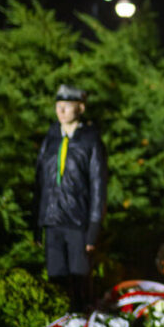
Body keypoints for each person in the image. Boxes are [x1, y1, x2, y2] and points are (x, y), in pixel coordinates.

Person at [34, 84, 107, 311]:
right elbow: (39, 183)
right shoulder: (51, 138)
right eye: (58, 106)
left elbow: (98, 186)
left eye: (67, 106)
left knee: (80, 283)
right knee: (56, 280)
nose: (61, 111)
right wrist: (37, 222)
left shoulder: (91, 141)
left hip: (78, 223)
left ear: (81, 108)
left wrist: (93, 229)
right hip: (52, 220)